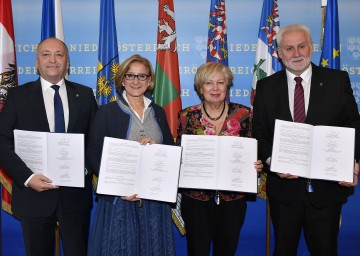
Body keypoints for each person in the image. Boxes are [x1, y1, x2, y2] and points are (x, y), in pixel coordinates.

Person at [252, 24, 360, 256]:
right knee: (284, 250)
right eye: (289, 48)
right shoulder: (266, 87)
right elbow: (259, 133)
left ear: (312, 47)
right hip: (284, 192)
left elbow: (353, 124)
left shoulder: (337, 80)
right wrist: (273, 161)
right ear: (279, 53)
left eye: (302, 46)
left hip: (327, 189)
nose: (297, 53)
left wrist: (352, 161)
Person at [0, 37, 97, 255]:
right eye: (46, 54)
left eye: (59, 55)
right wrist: (27, 177)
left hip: (75, 198)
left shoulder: (85, 95)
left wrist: (84, 169)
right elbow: (2, 140)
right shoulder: (17, 96)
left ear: (67, 62)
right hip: (33, 197)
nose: (53, 60)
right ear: (36, 62)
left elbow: (94, 140)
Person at [86, 54, 176, 256]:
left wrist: (154, 148)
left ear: (149, 80)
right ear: (122, 79)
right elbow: (93, 151)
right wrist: (117, 187)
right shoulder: (106, 112)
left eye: (142, 76)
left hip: (155, 201)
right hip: (120, 200)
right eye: (130, 75)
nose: (136, 81)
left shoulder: (158, 112)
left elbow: (169, 148)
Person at [176, 62, 263, 256]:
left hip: (233, 199)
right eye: (209, 83)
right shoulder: (186, 116)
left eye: (220, 82)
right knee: (197, 250)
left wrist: (256, 164)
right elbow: (179, 153)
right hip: (195, 199)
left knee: (227, 250)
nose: (215, 88)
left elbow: (254, 148)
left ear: (227, 85)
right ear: (200, 88)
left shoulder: (244, 115)